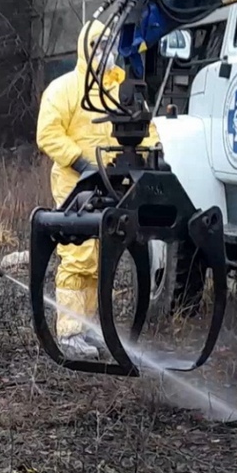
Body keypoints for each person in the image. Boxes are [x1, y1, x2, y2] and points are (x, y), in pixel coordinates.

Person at [36, 19, 163, 358]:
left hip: (112, 185)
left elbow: (144, 128)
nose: (104, 54)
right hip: (74, 185)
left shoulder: (121, 88)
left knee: (99, 257)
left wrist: (152, 156)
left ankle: (88, 327)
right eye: (98, 46)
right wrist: (80, 162)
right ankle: (70, 332)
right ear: (86, 48)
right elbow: (47, 133)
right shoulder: (64, 89)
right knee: (77, 256)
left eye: (108, 46)